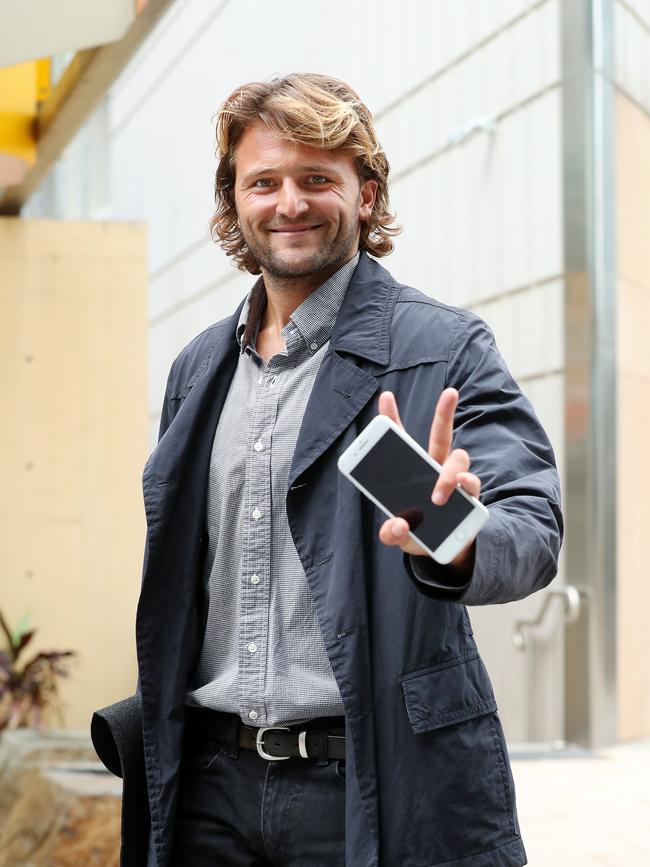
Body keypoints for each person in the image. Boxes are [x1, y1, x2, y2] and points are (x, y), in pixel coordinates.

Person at [93, 73, 562, 867]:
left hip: (367, 782)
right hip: (210, 782)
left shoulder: (442, 346)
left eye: (318, 179)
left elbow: (531, 526)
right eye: (264, 182)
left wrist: (451, 531)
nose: (290, 203)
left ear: (367, 193)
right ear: (234, 201)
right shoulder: (199, 367)